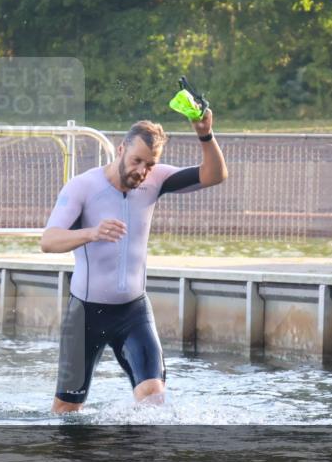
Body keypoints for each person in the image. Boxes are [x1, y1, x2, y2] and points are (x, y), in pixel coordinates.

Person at [40, 109, 228, 413]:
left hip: (133, 312)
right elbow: (48, 241)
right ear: (121, 150)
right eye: (137, 161)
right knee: (66, 409)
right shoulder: (83, 187)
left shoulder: (156, 180)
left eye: (149, 164)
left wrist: (205, 135)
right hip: (85, 315)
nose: (142, 171)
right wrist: (91, 232)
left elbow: (215, 175)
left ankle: (134, 459)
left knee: (154, 397)